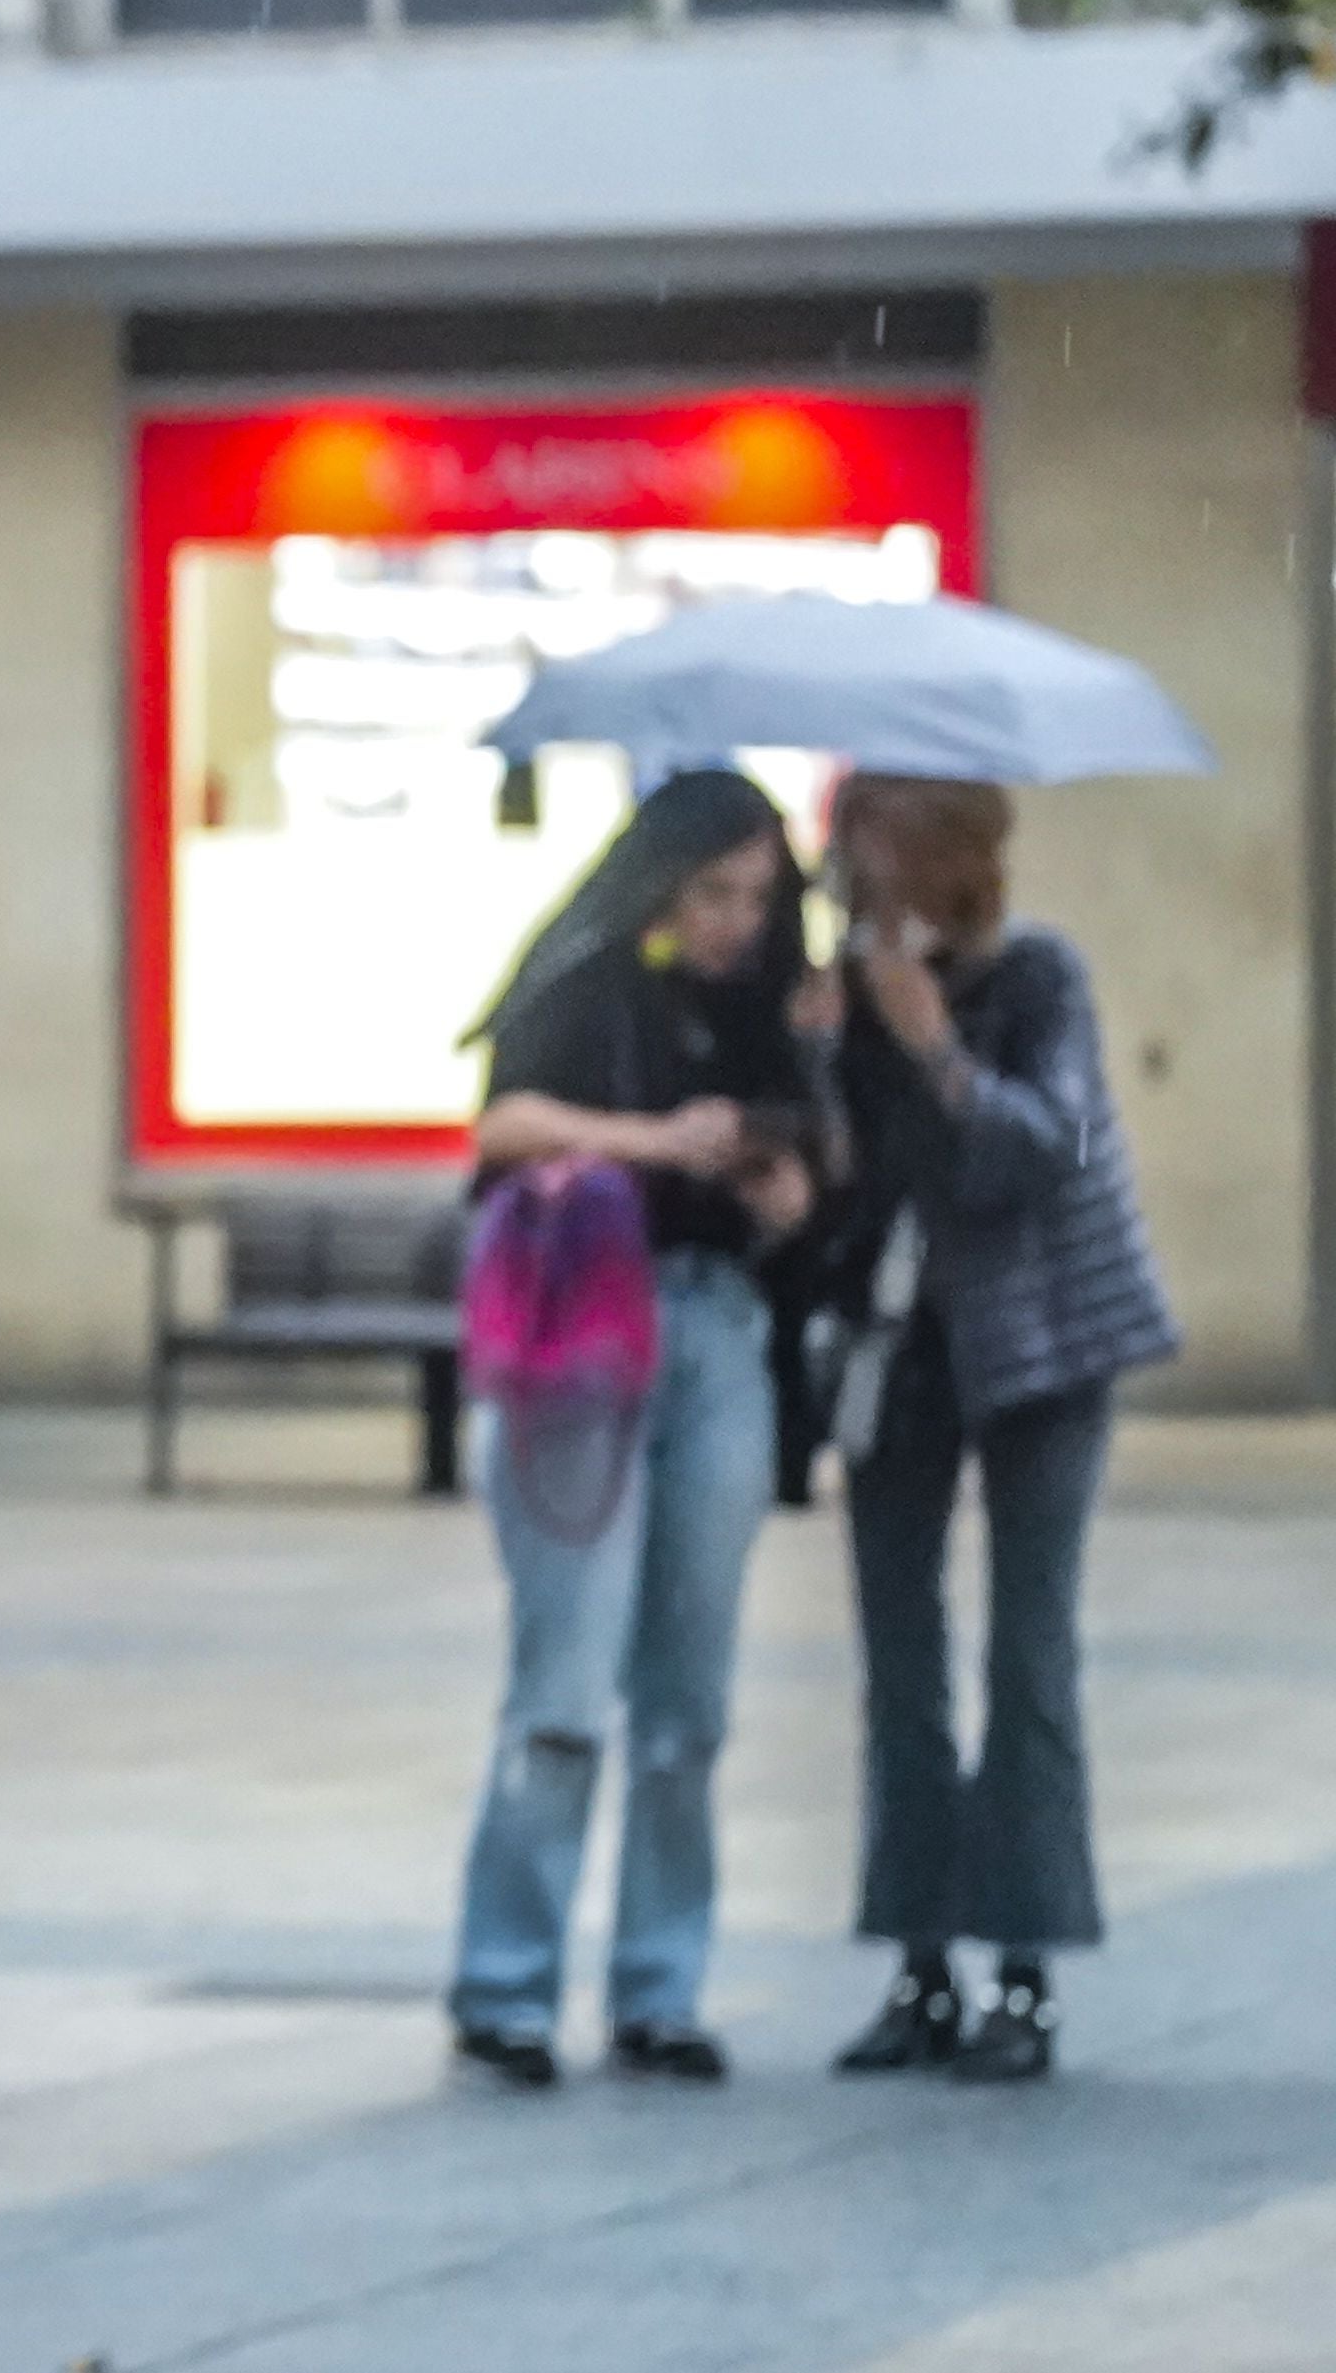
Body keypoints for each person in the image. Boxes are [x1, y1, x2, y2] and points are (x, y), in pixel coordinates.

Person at [442, 770, 822, 2090]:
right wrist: (658, 1142)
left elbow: (809, 1191)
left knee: (687, 1698)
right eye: (711, 891)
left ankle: (659, 1986)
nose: (731, 921)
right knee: (561, 1683)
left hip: (717, 1334)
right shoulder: (587, 976)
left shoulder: (776, 1008)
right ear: (659, 876)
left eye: (755, 898)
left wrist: (781, 1183)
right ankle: (505, 1987)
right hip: (584, 1350)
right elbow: (499, 1124)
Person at [816, 775, 1178, 2084]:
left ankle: (1019, 1980)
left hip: (1042, 1349)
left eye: (884, 852)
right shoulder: (843, 986)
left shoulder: (1037, 977)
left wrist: (933, 1049)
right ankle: (918, 1965)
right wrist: (816, 1064)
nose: (866, 882)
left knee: (1028, 1651)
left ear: (949, 855)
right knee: (896, 1663)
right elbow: (840, 1191)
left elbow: (1050, 1144)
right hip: (896, 1353)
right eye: (851, 856)